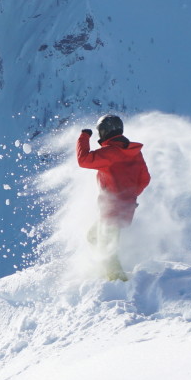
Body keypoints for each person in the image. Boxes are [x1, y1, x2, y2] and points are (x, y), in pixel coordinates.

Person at [76, 114, 150, 281]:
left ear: (104, 132)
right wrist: (129, 196)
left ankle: (118, 284)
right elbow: (145, 179)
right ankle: (103, 273)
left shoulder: (110, 152)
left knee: (107, 250)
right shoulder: (134, 153)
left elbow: (83, 160)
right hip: (124, 208)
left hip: (112, 210)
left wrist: (84, 136)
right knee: (93, 237)